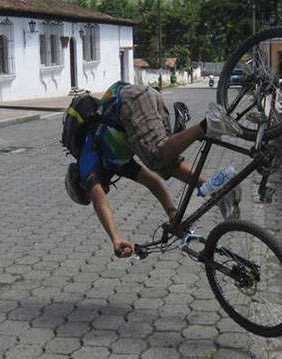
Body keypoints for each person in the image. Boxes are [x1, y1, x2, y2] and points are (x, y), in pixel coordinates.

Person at [65, 81, 243, 258]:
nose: (95, 192)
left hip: (129, 101)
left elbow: (100, 203)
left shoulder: (87, 160)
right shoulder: (113, 162)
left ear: (81, 183)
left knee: (155, 155)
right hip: (141, 99)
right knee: (165, 166)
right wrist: (173, 215)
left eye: (88, 194)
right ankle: (221, 189)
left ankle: (209, 124)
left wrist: (115, 239)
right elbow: (153, 183)